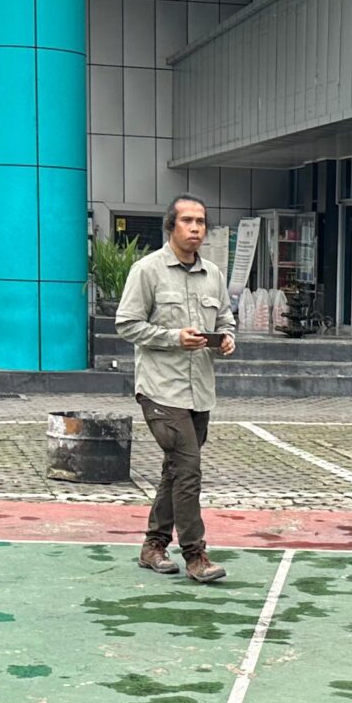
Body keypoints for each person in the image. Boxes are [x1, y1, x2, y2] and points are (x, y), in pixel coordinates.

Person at [115, 195, 235, 583]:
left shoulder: (213, 274)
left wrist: (228, 338)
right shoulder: (147, 270)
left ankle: (153, 546)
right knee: (189, 471)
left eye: (201, 221)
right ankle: (195, 555)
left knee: (175, 470)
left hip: (200, 390)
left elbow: (227, 319)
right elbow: (127, 324)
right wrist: (172, 337)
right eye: (188, 220)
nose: (196, 228)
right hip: (160, 390)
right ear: (171, 226)